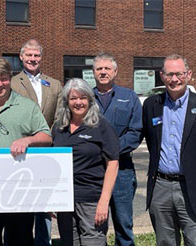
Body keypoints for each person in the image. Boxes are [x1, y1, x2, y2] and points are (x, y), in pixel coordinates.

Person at [0, 58, 52, 246]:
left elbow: (47, 136)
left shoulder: (27, 106)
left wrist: (28, 139)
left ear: (10, 79)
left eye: (4, 79)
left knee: (20, 240)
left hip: (20, 190)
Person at [142, 54, 196, 245]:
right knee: (165, 242)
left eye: (179, 74)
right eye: (169, 75)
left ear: (188, 74)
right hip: (160, 186)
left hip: (193, 187)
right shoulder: (152, 105)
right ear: (162, 76)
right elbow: (144, 137)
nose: (174, 79)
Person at [51, 79, 120, 245]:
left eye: (82, 97)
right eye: (73, 98)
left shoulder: (101, 126)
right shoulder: (59, 127)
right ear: (66, 102)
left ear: (90, 99)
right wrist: (51, 198)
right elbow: (52, 164)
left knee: (93, 242)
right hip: (65, 202)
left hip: (91, 200)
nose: (78, 102)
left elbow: (113, 163)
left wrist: (104, 201)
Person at [10, 40, 63, 245]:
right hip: (21, 150)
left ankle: (43, 242)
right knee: (19, 204)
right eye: (29, 55)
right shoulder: (13, 83)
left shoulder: (55, 83)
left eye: (36, 56)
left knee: (44, 204)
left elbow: (59, 118)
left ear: (41, 58)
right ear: (21, 57)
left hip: (46, 150)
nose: (33, 59)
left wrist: (46, 137)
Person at [90, 54, 142, 246]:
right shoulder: (85, 97)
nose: (103, 72)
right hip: (93, 171)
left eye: (107, 69)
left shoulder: (129, 97)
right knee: (95, 224)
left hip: (122, 170)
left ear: (115, 71)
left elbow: (136, 132)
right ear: (93, 72)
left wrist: (109, 150)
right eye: (99, 69)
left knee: (124, 225)